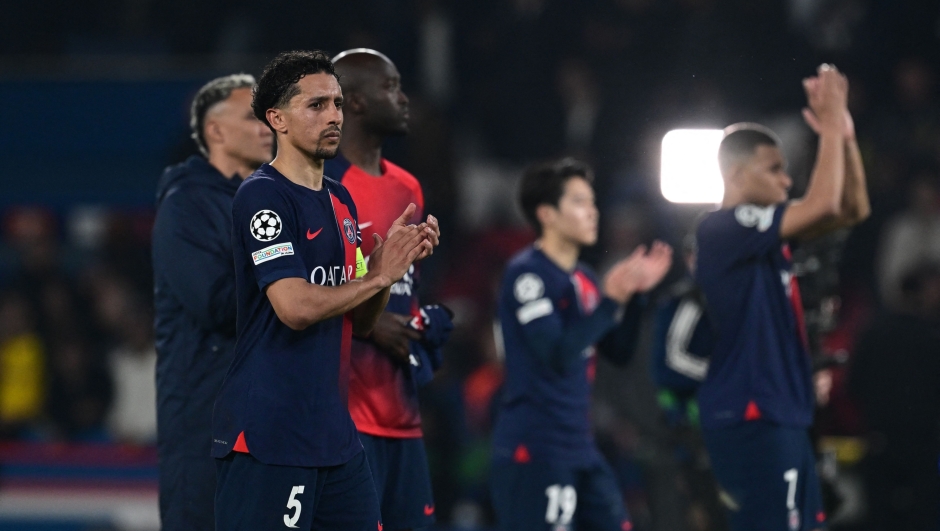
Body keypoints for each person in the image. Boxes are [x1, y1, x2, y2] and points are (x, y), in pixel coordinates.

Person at [210, 50, 438, 531]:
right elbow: (293, 306)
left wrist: (386, 267)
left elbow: (363, 323)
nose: (333, 115)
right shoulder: (262, 196)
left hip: (334, 436)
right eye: (315, 106)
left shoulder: (341, 199)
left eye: (336, 103)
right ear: (277, 119)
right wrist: (376, 277)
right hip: (270, 435)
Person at [694, 64, 869, 531]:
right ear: (735, 173)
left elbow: (851, 208)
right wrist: (829, 126)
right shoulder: (723, 228)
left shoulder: (764, 238)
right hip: (753, 412)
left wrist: (845, 135)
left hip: (783, 411)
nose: (786, 181)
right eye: (774, 170)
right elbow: (825, 203)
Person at [490, 157, 673, 531]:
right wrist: (611, 302)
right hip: (536, 448)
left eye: (592, 202)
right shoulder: (528, 274)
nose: (593, 212)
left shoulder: (586, 278)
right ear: (548, 214)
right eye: (579, 202)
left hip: (580, 447)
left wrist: (633, 297)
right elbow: (556, 354)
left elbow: (617, 352)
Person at [326, 48, 451, 531]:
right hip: (346, 416)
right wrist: (373, 327)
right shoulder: (326, 186)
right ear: (354, 102)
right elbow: (309, 292)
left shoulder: (409, 187)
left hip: (401, 411)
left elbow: (403, 287)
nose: (403, 99)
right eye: (391, 87)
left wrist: (421, 328)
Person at [151, 73, 272, 531]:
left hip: (265, 419)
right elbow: (217, 305)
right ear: (215, 131)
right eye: (251, 117)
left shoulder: (272, 201)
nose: (267, 127)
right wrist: (287, 277)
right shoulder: (185, 205)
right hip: (204, 423)